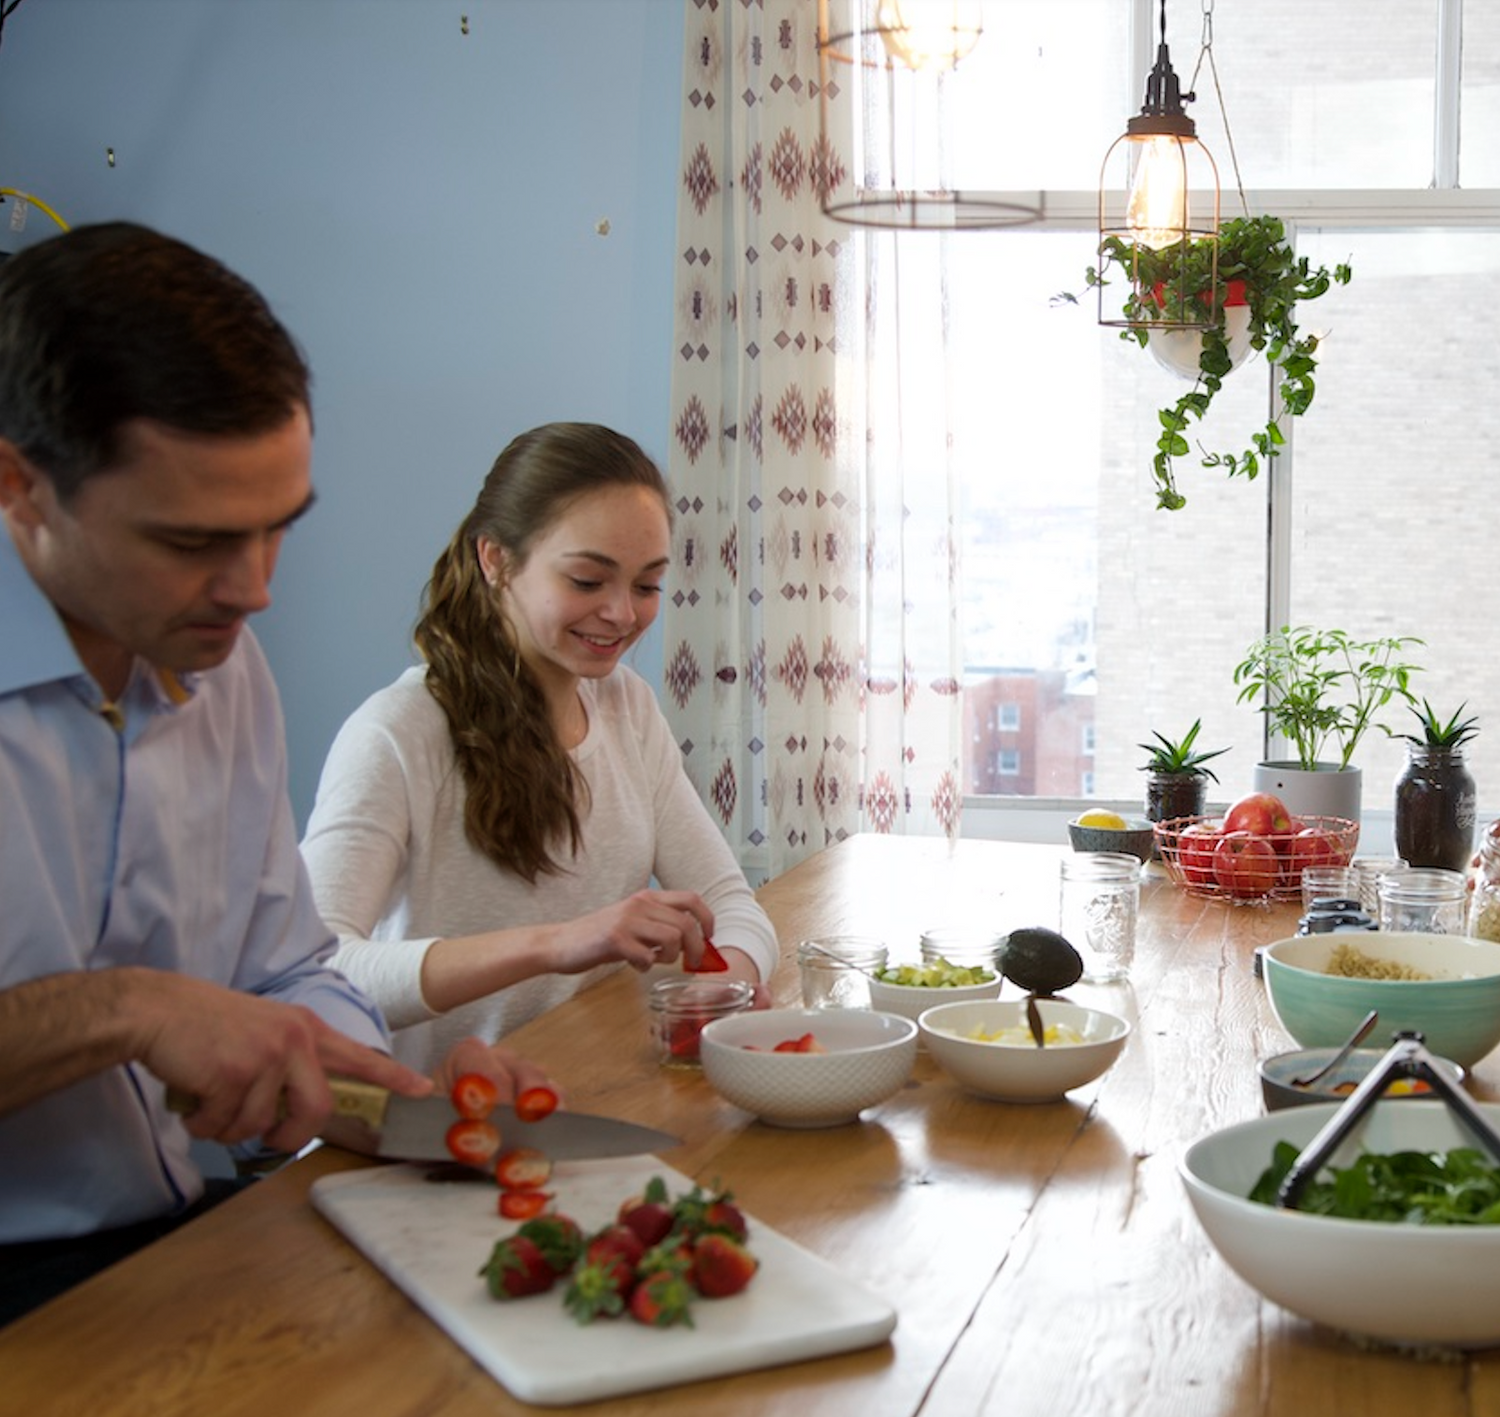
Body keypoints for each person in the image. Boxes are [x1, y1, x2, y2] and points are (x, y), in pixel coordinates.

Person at [0, 223, 551, 1327]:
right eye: (191, 539)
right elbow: (169, 1012)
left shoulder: (224, 663)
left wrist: (369, 1085)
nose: (253, 590)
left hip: (182, 1237)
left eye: (278, 529)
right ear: (20, 487)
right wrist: (126, 1011)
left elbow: (283, 966)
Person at [300, 422, 778, 1072]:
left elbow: (730, 902)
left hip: (578, 1094)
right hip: (435, 1125)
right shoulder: (397, 732)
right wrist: (559, 942)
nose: (620, 613)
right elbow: (315, 973)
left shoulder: (627, 708)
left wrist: (728, 985)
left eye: (646, 586)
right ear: (495, 559)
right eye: (587, 581)